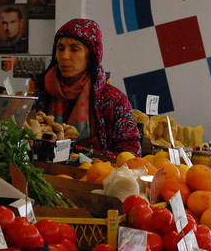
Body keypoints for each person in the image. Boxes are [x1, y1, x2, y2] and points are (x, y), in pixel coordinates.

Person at [33, 18, 140, 158]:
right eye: (60, 49)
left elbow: (131, 154)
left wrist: (75, 152)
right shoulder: (42, 92)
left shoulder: (113, 100)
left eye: (74, 49)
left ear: (90, 56)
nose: (64, 56)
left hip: (95, 176)